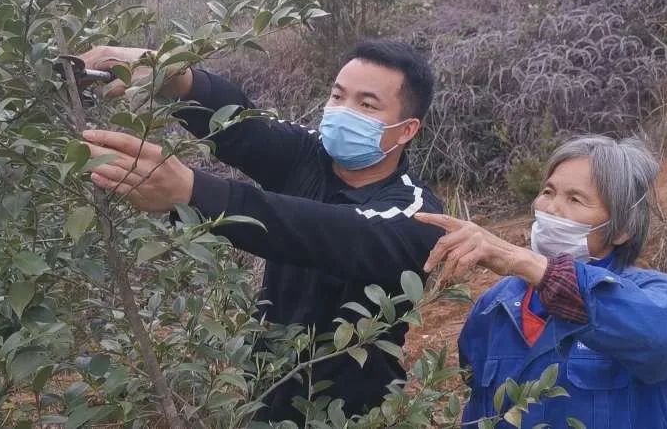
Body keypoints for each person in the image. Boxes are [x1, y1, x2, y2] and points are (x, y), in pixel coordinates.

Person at [79, 40, 444, 422]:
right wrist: (174, 75)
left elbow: (332, 233)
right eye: (338, 96)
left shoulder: (416, 214)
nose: (343, 112)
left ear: (407, 130)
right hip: (266, 395)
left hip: (351, 415)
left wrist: (193, 191)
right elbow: (244, 129)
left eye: (367, 105)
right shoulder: (308, 154)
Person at [415, 136, 667, 428]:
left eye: (575, 199)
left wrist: (534, 267)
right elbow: (476, 398)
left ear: (622, 230)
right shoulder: (494, 306)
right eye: (548, 191)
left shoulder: (652, 294)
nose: (551, 208)